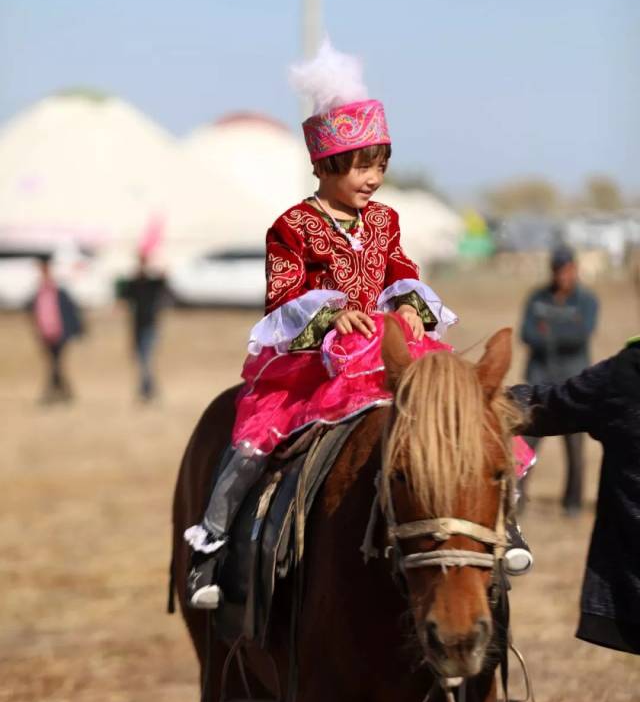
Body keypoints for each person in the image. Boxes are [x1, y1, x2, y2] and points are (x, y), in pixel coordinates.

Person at [184, 39, 533, 609]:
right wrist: (329, 313)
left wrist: (406, 307)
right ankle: (214, 549)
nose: (373, 177)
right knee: (251, 446)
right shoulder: (292, 225)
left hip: (383, 350)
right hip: (314, 359)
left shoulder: (385, 220)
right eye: (360, 165)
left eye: (380, 165)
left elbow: (401, 271)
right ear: (325, 165)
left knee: (462, 424)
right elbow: (282, 294)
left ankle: (500, 526)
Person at [510, 337, 640, 655]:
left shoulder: (629, 374)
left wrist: (470, 392)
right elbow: (551, 405)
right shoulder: (628, 375)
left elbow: (549, 405)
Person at [520, 244, 599, 514]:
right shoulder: (537, 298)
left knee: (575, 448)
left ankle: (573, 503)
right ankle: (517, 500)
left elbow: (582, 335)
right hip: (538, 382)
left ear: (574, 269)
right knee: (525, 444)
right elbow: (527, 334)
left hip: (573, 383)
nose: (561, 275)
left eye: (566, 269)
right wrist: (562, 331)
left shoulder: (587, 301)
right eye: (557, 270)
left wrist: (548, 334)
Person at [30, 255, 83, 404]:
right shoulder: (39, 292)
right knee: (54, 364)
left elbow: (70, 311)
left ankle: (52, 393)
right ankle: (65, 392)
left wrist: (75, 330)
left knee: (55, 363)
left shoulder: (57, 291)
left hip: (59, 333)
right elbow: (34, 311)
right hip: (45, 333)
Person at [119, 253, 167, 401]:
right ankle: (147, 388)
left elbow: (163, 283)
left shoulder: (151, 283)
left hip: (149, 325)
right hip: (137, 326)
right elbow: (124, 293)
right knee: (141, 359)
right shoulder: (135, 283)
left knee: (145, 358)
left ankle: (147, 389)